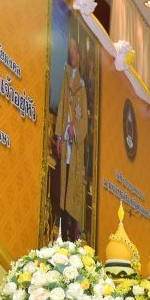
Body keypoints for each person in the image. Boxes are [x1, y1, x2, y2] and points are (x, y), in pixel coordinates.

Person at [53, 36, 88, 236]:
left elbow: (84, 120)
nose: (73, 54)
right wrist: (59, 136)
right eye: (71, 50)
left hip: (75, 147)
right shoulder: (66, 78)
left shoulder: (82, 86)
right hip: (65, 141)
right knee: (61, 184)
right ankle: (60, 230)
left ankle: (70, 233)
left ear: (80, 55)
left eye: (76, 50)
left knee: (72, 187)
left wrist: (76, 130)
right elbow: (61, 108)